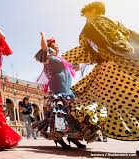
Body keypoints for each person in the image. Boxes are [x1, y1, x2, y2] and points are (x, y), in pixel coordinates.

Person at [62, 1, 139, 141]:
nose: (86, 19)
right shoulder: (117, 24)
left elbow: (88, 49)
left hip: (111, 67)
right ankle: (87, 129)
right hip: (125, 63)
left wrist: (64, 59)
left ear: (95, 10)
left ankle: (86, 130)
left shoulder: (94, 24)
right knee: (128, 101)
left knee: (92, 98)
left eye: (87, 16)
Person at [32, 32, 88, 149]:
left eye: (57, 46)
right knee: (60, 113)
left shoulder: (62, 59)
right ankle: (58, 138)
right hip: (58, 87)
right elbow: (43, 48)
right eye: (55, 46)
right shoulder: (48, 57)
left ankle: (73, 137)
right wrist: (43, 36)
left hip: (67, 89)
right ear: (50, 48)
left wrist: (85, 61)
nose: (57, 47)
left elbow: (75, 68)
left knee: (72, 114)